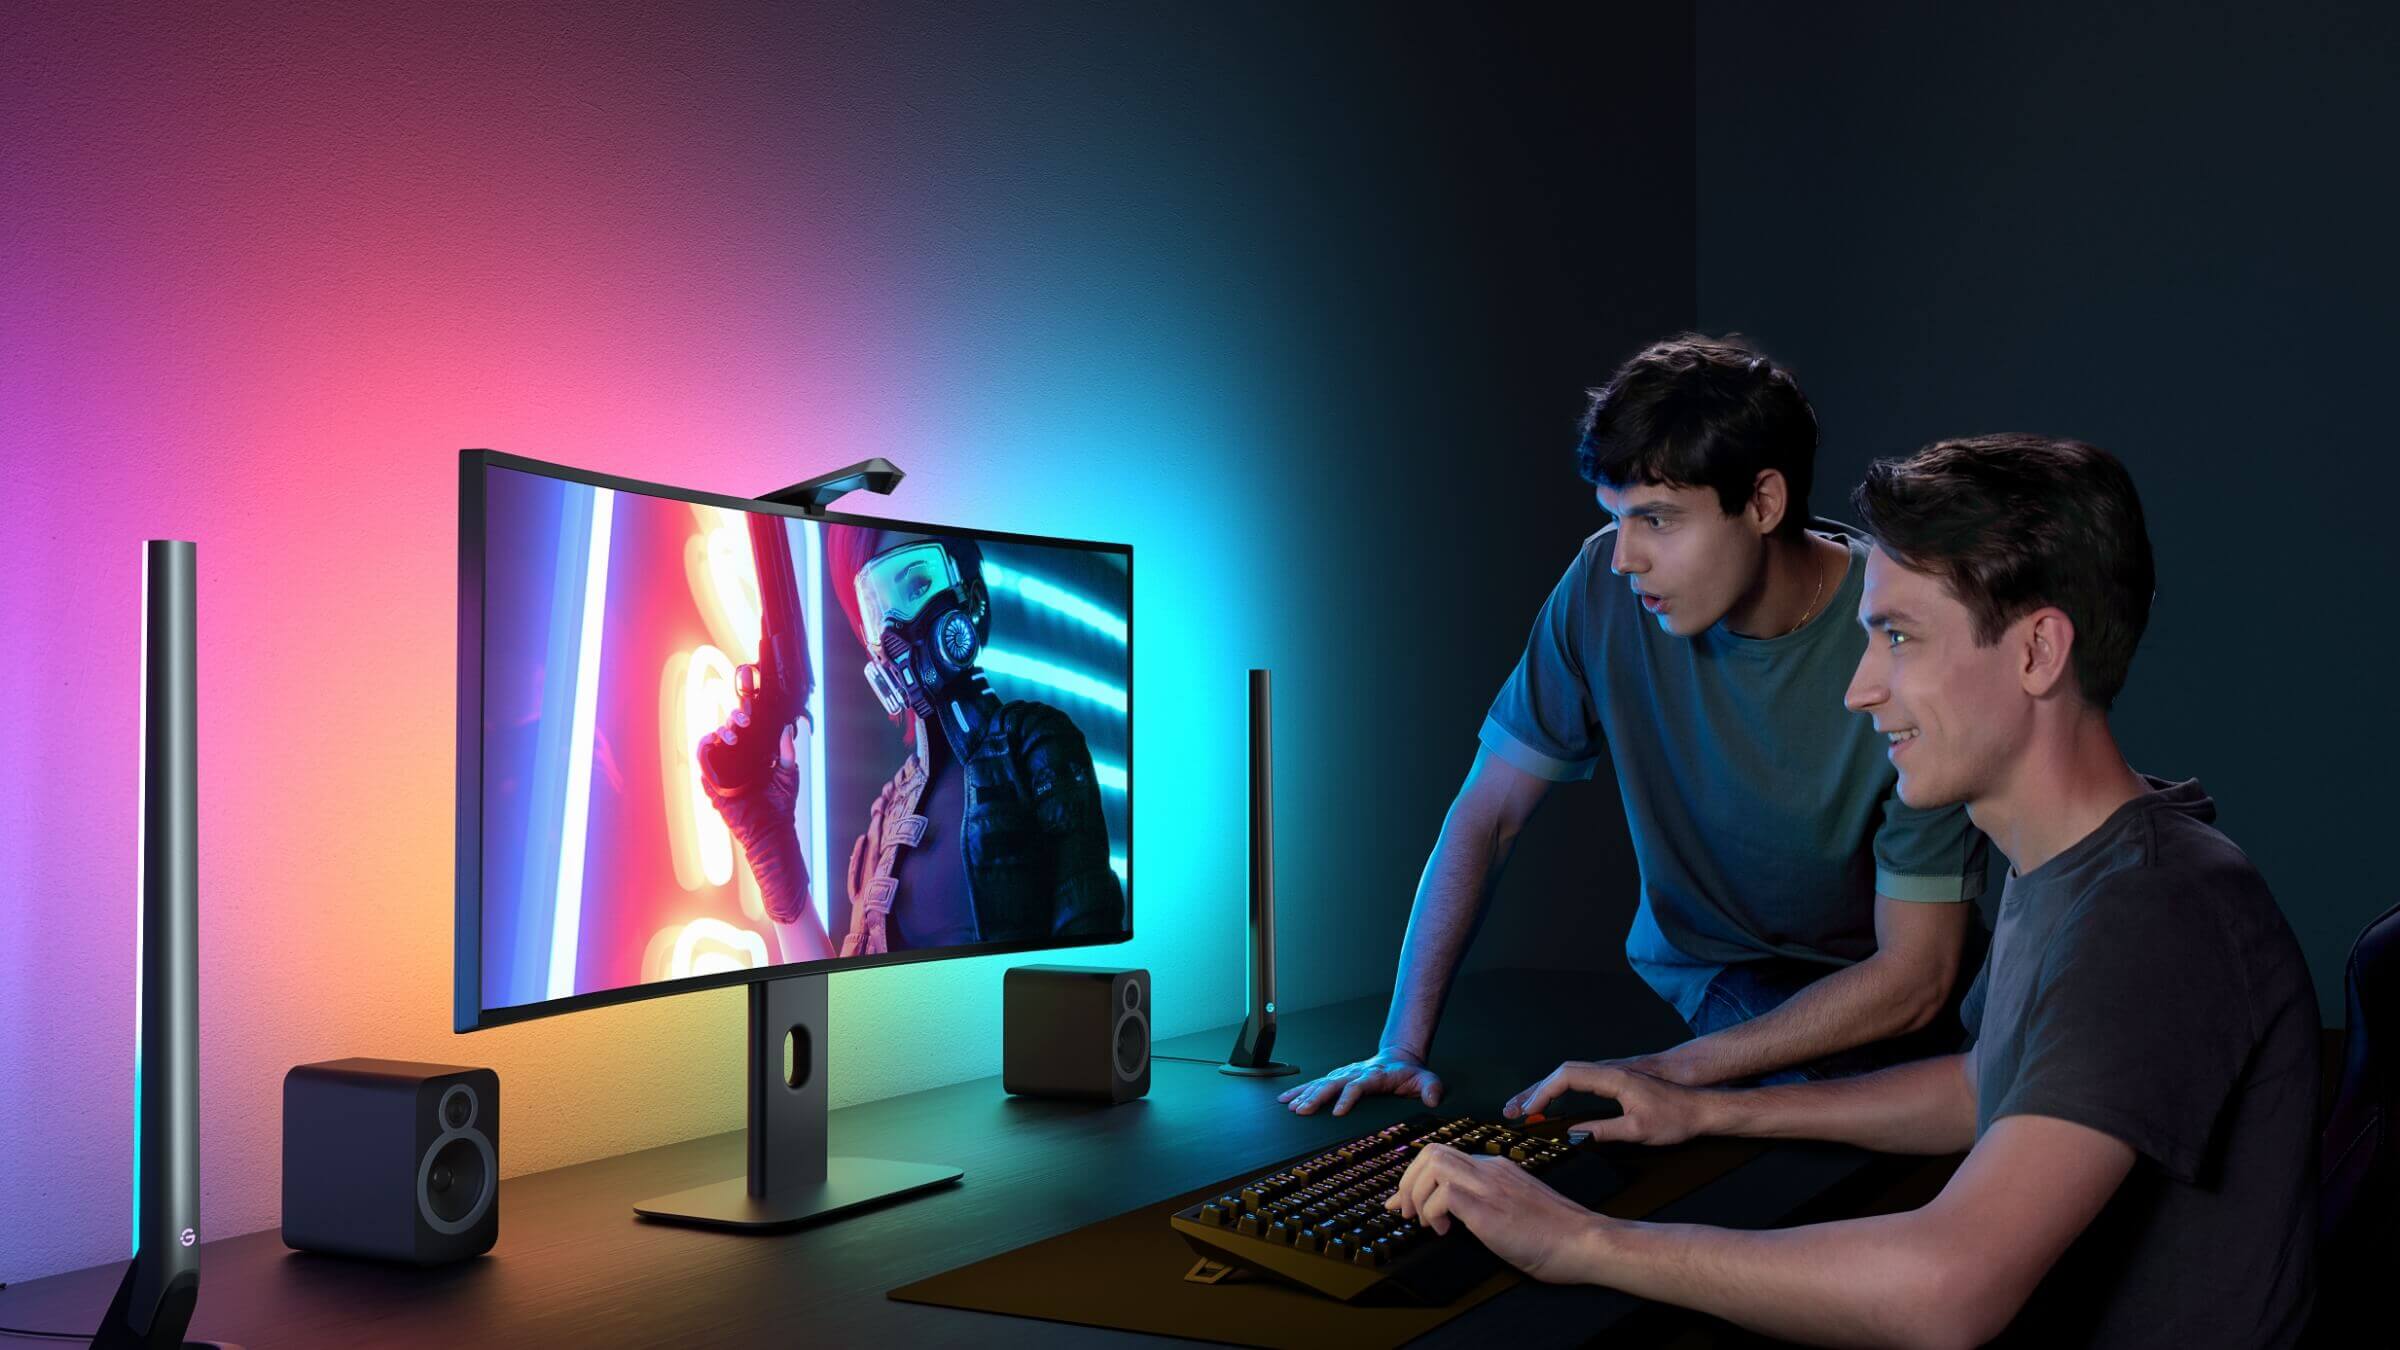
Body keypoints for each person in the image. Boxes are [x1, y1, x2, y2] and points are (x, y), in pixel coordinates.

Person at [1392, 435, 2318, 1348]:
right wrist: (1712, 1105)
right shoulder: (2075, 864)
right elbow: (1983, 1085)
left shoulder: (2152, 914)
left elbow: (1949, 1291)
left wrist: (1580, 1239)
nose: (1860, 689)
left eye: (1900, 638)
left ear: (2038, 651)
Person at [1284, 334, 1989, 1114]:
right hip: (1714, 972)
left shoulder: (1895, 629)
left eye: (1657, 520)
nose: (1625, 558)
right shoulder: (1599, 587)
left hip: (1885, 987)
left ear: (1763, 503)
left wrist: (1674, 1070)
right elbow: (1487, 817)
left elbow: (1918, 976)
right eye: (1617, 518)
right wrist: (1401, 1044)